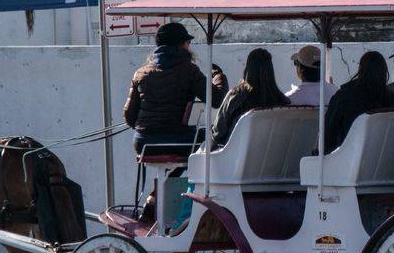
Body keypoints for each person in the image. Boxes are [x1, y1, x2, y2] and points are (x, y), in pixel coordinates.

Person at [124, 22, 226, 156]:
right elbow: (217, 99)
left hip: (142, 142)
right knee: (214, 135)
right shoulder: (189, 71)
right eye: (187, 42)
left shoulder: (140, 73)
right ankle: (181, 177)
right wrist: (218, 76)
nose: (189, 45)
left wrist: (149, 130)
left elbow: (129, 117)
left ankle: (171, 177)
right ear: (180, 44)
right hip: (176, 140)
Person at [211, 48, 290, 150]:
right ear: (270, 71)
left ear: (248, 69)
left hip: (233, 155)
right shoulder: (281, 101)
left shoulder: (235, 96)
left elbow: (218, 133)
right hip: (271, 153)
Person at [323, 50, 394, 151]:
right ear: (384, 71)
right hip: (384, 158)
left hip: (346, 158)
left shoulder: (343, 97)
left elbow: (328, 134)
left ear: (361, 69)